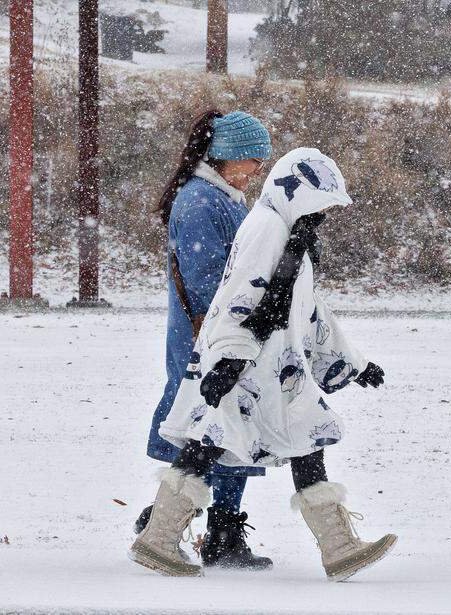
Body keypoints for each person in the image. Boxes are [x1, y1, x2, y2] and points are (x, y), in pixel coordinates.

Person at [130, 147, 397, 581]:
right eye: (320, 206)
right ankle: (158, 540)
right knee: (212, 441)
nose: (324, 217)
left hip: (278, 373)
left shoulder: (291, 238)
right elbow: (239, 295)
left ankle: (339, 548)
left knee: (297, 439)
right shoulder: (266, 230)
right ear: (298, 195)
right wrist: (229, 360)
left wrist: (350, 364)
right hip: (247, 370)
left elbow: (309, 313)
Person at [139, 109, 274, 570]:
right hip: (209, 342)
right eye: (253, 160)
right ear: (227, 157)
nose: (258, 171)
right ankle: (175, 524)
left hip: (223, 338)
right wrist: (249, 318)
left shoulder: (224, 198)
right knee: (211, 429)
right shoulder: (200, 203)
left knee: (228, 431)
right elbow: (207, 281)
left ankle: (214, 529)